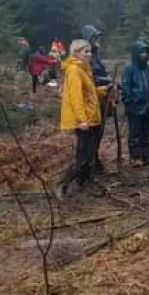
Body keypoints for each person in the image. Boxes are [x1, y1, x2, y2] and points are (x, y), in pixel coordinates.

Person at [55, 40, 107, 199]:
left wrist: (104, 90)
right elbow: (76, 97)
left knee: (89, 154)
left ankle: (82, 183)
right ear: (75, 53)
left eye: (90, 51)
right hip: (84, 121)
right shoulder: (74, 70)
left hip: (91, 118)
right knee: (83, 155)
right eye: (85, 51)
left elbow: (88, 93)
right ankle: (62, 185)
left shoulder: (84, 69)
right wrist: (82, 120)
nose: (89, 54)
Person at [80, 25, 115, 174]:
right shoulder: (84, 57)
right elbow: (90, 77)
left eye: (97, 38)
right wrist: (106, 80)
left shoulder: (95, 55)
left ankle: (94, 158)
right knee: (91, 132)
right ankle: (86, 163)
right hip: (90, 98)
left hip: (100, 96)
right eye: (94, 38)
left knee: (99, 131)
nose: (97, 41)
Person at [121, 39, 149, 167]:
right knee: (135, 132)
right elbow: (126, 87)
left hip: (147, 105)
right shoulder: (129, 68)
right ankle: (135, 156)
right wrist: (130, 101)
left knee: (145, 131)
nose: (144, 55)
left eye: (146, 52)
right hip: (135, 106)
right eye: (142, 52)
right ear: (136, 53)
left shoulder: (147, 68)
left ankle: (146, 155)